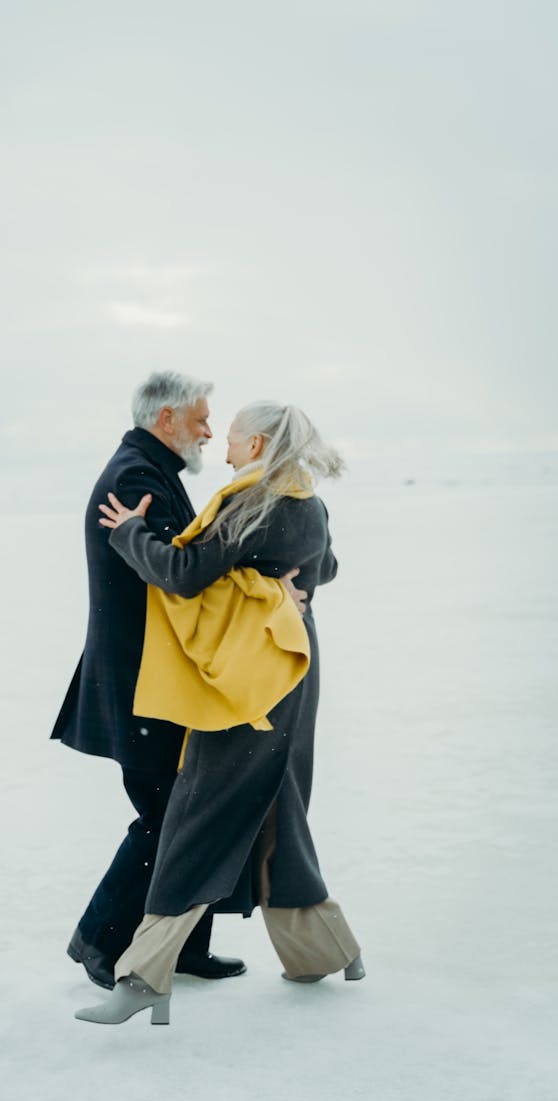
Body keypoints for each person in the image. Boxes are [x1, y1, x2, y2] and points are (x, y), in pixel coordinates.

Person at [74, 401, 364, 1026]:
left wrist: (129, 532)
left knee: (195, 817)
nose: (223, 446)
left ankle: (144, 978)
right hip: (293, 671)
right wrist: (267, 584)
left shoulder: (249, 502)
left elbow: (181, 575)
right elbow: (327, 569)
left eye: (231, 436)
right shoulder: (306, 499)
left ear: (256, 444)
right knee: (279, 811)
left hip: (245, 683)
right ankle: (327, 953)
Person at [52, 371, 247, 988]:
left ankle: (183, 948)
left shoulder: (146, 467)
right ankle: (99, 940)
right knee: (169, 815)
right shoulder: (136, 475)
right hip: (141, 685)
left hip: (154, 681)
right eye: (200, 419)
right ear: (167, 420)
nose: (209, 431)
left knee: (187, 812)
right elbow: (179, 573)